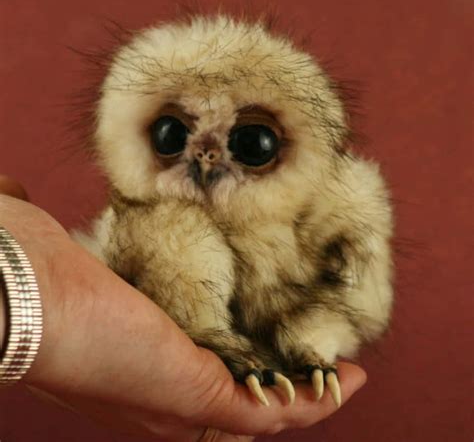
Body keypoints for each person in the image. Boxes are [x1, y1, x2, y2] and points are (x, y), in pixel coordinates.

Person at [0, 175, 366, 441]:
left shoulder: (331, 212)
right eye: (173, 133)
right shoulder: (157, 220)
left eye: (253, 143)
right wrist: (48, 296)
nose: (208, 159)